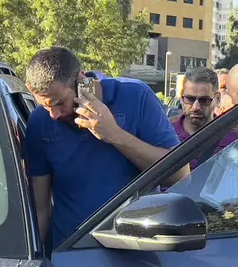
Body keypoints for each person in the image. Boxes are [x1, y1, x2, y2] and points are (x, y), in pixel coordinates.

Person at [24, 46, 189, 248]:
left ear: (82, 79)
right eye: (45, 106)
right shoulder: (39, 122)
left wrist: (114, 134)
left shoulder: (135, 96)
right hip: (71, 255)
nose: (54, 114)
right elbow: (41, 210)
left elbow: (180, 174)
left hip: (139, 252)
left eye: (60, 102)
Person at [171, 67, 238, 170]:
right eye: (190, 99)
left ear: (218, 99)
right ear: (181, 97)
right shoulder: (165, 135)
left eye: (204, 100)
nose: (196, 107)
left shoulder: (234, 140)